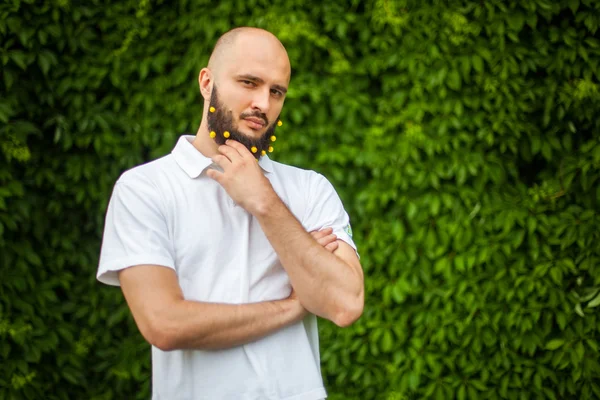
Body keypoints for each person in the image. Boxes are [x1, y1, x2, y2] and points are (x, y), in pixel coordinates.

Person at [97, 27, 364, 400]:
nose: (263, 104)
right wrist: (292, 306)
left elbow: (346, 303)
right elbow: (164, 324)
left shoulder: (309, 189)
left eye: (276, 91)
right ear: (207, 82)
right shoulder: (144, 189)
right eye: (249, 82)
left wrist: (265, 203)